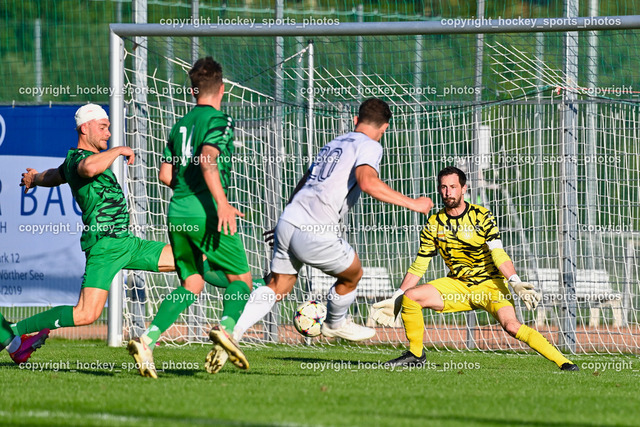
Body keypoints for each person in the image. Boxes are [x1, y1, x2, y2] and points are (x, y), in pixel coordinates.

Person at [232, 98, 434, 343]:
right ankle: (335, 323)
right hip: (316, 228)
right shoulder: (370, 145)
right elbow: (368, 182)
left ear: (356, 120)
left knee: (278, 286)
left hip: (290, 218)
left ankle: (232, 330)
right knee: (353, 274)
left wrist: (287, 221)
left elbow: (305, 181)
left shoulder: (333, 143)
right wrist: (413, 203)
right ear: (385, 128)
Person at [12, 104, 175, 376]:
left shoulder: (72, 163)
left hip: (127, 242)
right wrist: (119, 150)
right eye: (103, 127)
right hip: (104, 246)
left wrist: (35, 178)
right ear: (84, 128)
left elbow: (55, 175)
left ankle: (247, 294)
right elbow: (87, 168)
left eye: (109, 128)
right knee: (86, 314)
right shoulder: (80, 158)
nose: (108, 133)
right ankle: (14, 335)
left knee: (189, 261)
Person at [373, 166, 579, 371]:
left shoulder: (482, 216)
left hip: (491, 286)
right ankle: (416, 355)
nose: (448, 192)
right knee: (411, 297)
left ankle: (564, 362)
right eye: (443, 187)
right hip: (458, 287)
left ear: (464, 189)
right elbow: (420, 264)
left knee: (512, 326)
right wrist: (397, 296)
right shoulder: (434, 223)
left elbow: (498, 253)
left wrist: (514, 281)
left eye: (453, 187)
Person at [128, 57, 253, 377]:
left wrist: (189, 186)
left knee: (193, 281)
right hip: (205, 209)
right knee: (242, 280)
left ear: (192, 90)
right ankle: (225, 329)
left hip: (177, 210)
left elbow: (165, 174)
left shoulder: (179, 125)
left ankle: (148, 339)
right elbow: (209, 160)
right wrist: (222, 203)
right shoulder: (220, 120)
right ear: (222, 89)